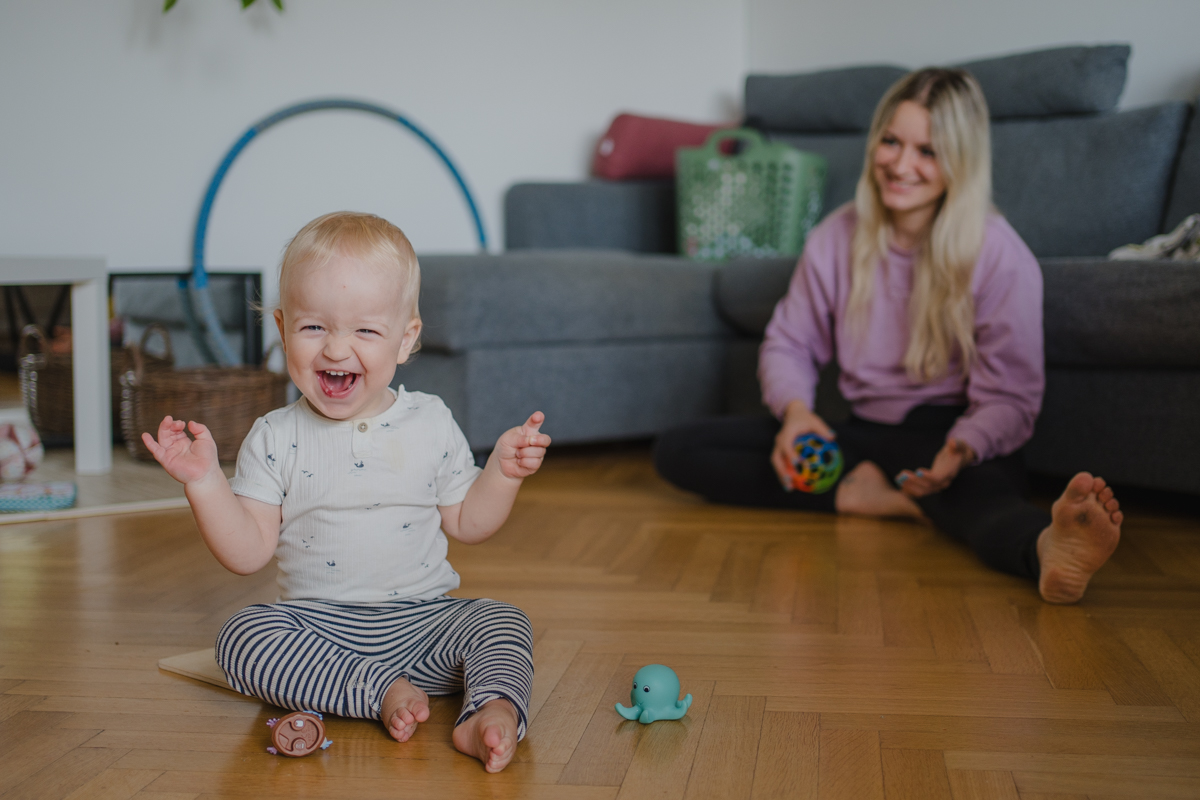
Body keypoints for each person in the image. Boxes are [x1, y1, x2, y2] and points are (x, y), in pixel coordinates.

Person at [654, 68, 1122, 605]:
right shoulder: (836, 236)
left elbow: (1011, 394)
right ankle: (883, 500)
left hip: (947, 440)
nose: (901, 165)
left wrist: (962, 449)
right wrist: (797, 415)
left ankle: (1042, 550)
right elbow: (790, 342)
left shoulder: (998, 252)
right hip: (859, 437)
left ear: (961, 163)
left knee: (985, 498)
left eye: (928, 151)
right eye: (892, 142)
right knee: (681, 449)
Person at [143, 211, 550, 772]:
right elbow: (247, 553)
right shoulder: (275, 436)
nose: (336, 350)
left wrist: (502, 474)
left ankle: (490, 709)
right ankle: (376, 692)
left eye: (365, 330)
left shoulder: (430, 421)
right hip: (317, 635)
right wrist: (206, 482)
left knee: (503, 621)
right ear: (283, 329)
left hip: (424, 624)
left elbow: (468, 523)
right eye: (313, 327)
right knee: (241, 637)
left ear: (405, 340)